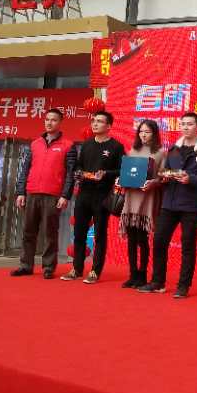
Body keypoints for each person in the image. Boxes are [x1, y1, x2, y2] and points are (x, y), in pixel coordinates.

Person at [138, 112, 197, 298]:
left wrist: (191, 179)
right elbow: (166, 171)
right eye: (183, 124)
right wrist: (164, 177)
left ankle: (183, 285)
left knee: (188, 245)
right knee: (159, 241)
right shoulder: (174, 149)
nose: (185, 127)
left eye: (190, 124)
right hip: (169, 203)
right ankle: (157, 282)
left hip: (190, 205)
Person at [11, 108, 77, 279]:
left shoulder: (68, 146)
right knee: (28, 232)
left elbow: (70, 174)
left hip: (53, 195)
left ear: (60, 122)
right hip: (31, 192)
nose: (49, 122)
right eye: (47, 119)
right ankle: (25, 265)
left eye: (53, 120)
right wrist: (21, 192)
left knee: (50, 233)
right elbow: (24, 170)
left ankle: (48, 267)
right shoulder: (35, 144)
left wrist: (65, 195)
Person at [61, 110, 125, 285]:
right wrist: (79, 173)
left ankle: (95, 270)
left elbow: (122, 170)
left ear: (109, 126)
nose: (95, 124)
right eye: (94, 121)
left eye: (100, 121)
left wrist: (106, 174)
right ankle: (76, 269)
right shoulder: (87, 144)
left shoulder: (116, 147)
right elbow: (79, 165)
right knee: (79, 232)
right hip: (84, 193)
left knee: (99, 234)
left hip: (102, 195)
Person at [118, 119, 167, 288]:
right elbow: (127, 173)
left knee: (142, 239)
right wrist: (121, 180)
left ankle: (142, 274)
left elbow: (163, 178)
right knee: (131, 239)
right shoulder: (133, 150)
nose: (143, 135)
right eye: (141, 131)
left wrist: (154, 182)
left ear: (154, 134)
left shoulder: (160, 153)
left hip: (147, 199)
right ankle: (132, 274)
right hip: (131, 198)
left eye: (147, 132)